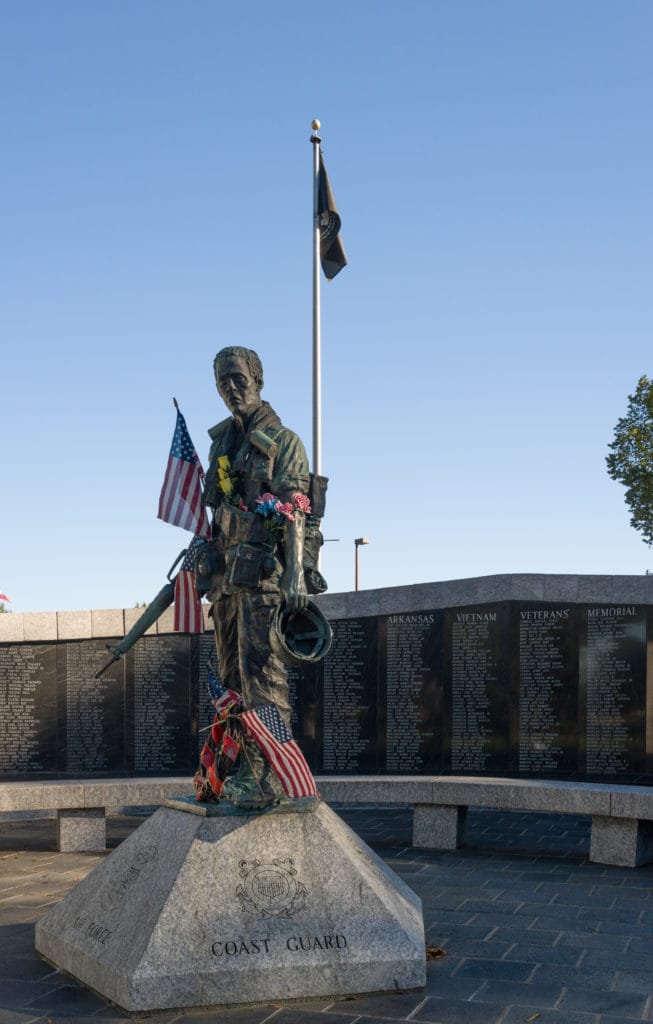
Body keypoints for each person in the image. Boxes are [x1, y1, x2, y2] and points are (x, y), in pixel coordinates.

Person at [198, 346, 313, 808]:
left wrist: (296, 575)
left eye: (238, 379)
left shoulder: (284, 441)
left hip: (264, 579)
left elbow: (296, 512)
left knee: (263, 676)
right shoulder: (221, 444)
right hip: (226, 581)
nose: (231, 389)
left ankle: (269, 773)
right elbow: (217, 514)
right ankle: (240, 763)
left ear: (258, 380)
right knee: (232, 681)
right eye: (223, 382)